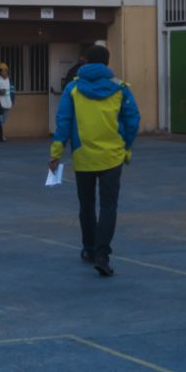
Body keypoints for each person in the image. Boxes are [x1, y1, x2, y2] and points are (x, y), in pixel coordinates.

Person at [48, 44, 140, 277]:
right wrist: (125, 147)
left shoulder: (73, 89)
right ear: (107, 63)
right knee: (109, 206)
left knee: (87, 205)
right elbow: (133, 120)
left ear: (85, 61)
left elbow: (63, 123)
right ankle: (102, 253)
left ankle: (89, 248)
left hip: (83, 156)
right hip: (112, 157)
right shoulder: (121, 89)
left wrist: (56, 153)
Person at [0, 63, 15, 133]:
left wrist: (12, 101)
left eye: (6, 71)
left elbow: (12, 92)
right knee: (0, 121)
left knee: (3, 121)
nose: (5, 72)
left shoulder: (10, 81)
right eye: (3, 71)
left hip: (7, 103)